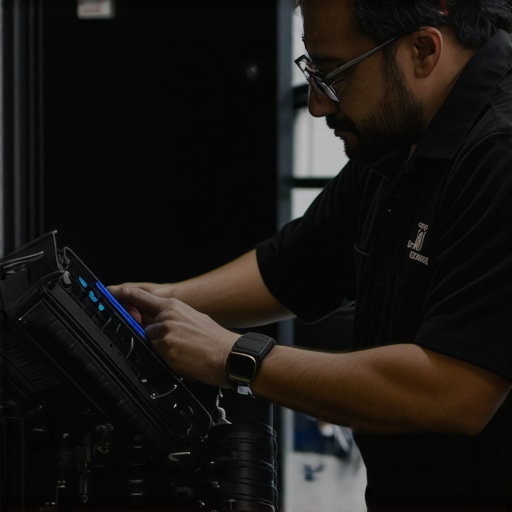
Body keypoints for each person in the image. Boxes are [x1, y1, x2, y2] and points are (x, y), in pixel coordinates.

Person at [109, 0, 512, 509]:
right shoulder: (402, 132)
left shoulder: (500, 151)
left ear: (424, 50)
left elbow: (454, 390)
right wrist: (154, 303)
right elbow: (292, 267)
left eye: (332, 73)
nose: (318, 105)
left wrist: (234, 356)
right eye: (312, 72)